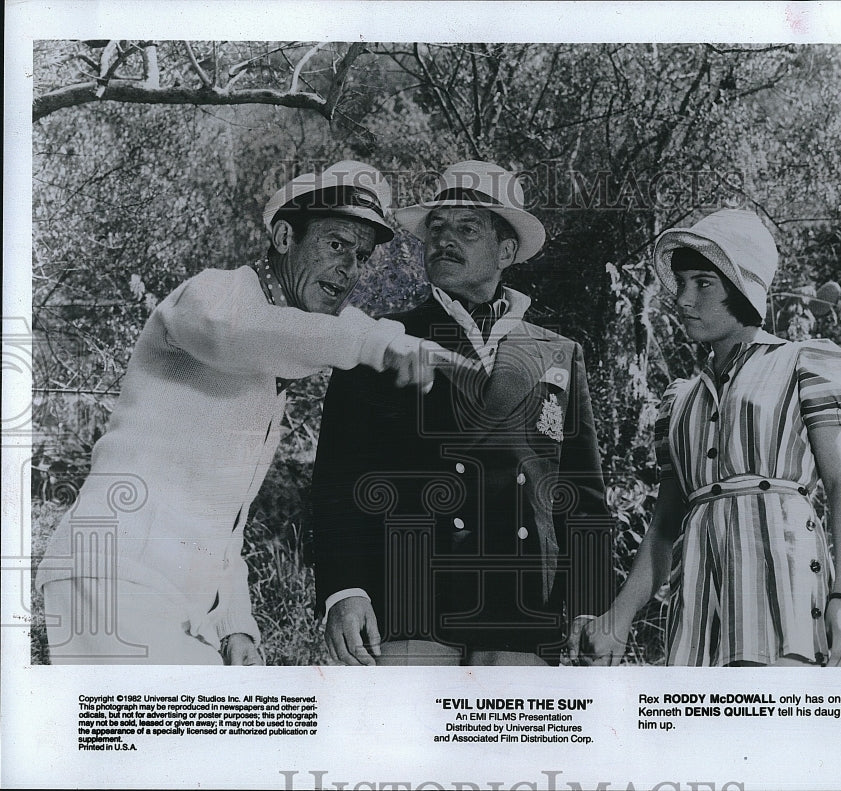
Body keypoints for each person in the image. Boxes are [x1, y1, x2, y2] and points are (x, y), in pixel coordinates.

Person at [36, 160, 458, 664]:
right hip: (116, 572)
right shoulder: (213, 295)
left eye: (362, 256)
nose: (350, 270)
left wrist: (237, 625)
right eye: (337, 244)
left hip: (177, 603)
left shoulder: (271, 360)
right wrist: (379, 341)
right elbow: (234, 332)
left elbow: (223, 513)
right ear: (283, 236)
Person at [311, 160, 614, 666]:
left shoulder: (559, 353)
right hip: (409, 604)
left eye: (466, 229)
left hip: (524, 612)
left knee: (507, 746)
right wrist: (345, 590)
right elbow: (338, 479)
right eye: (436, 227)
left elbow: (582, 497)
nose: (443, 240)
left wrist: (589, 602)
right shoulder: (381, 339)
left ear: (506, 250)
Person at [569, 209, 841, 667]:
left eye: (703, 283)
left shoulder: (804, 362)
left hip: (783, 595)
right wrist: (618, 618)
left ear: (743, 288)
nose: (684, 299)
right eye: (682, 282)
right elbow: (665, 526)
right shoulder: (680, 400)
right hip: (698, 606)